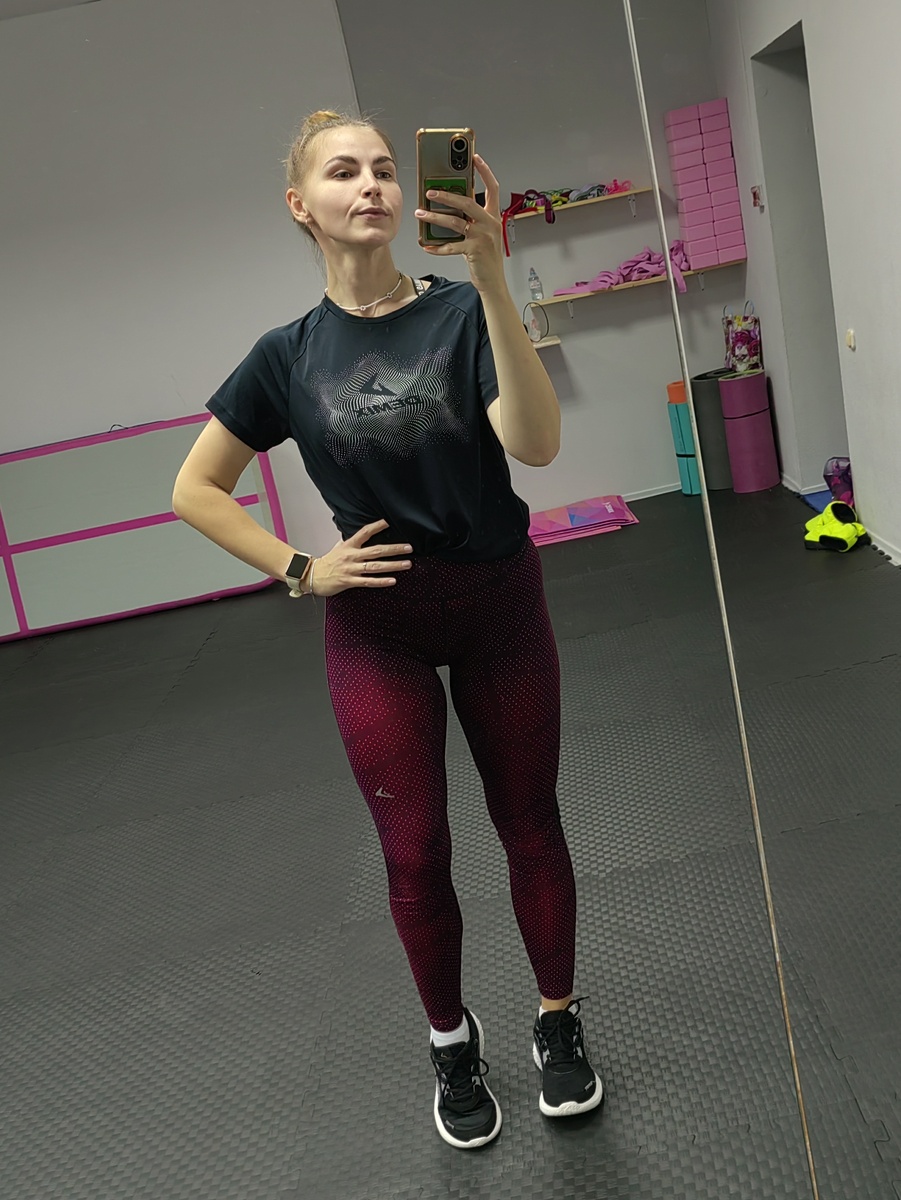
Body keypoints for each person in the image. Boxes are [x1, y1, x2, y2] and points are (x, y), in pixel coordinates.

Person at [172, 109, 603, 1150]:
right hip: (378, 629)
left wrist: (492, 276)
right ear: (300, 204)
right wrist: (301, 569)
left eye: (381, 169)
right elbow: (195, 489)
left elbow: (537, 445)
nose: (370, 184)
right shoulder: (286, 356)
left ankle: (556, 1019)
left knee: (529, 821)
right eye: (341, 172)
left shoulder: (462, 313)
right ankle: (451, 1040)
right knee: (413, 853)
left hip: (498, 605)